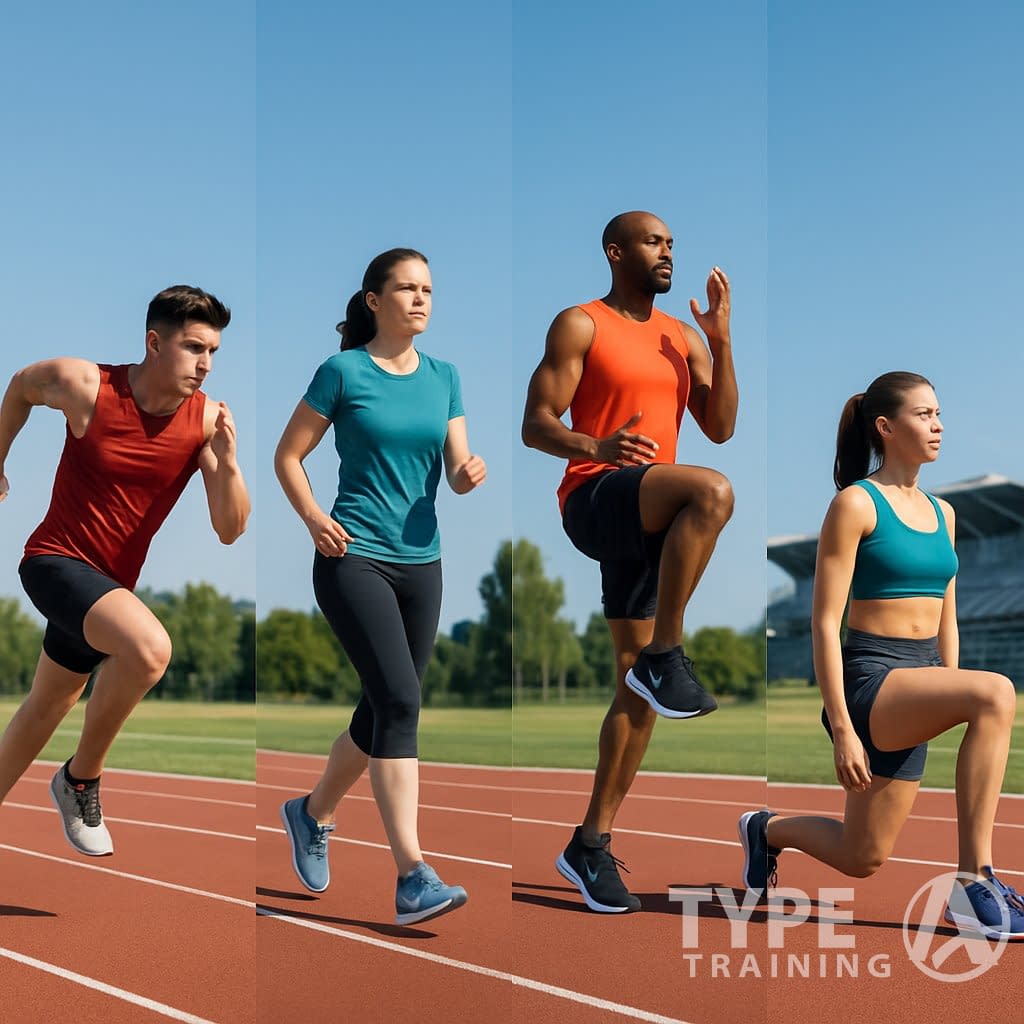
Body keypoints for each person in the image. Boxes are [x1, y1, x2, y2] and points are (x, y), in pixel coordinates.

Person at [740, 371, 1024, 939]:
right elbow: (825, 621)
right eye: (924, 415)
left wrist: (946, 686)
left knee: (862, 856)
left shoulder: (944, 514)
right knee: (996, 691)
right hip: (870, 679)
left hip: (918, 683)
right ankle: (975, 881)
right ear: (886, 427)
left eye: (939, 414)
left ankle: (764, 830)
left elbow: (948, 614)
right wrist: (843, 727)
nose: (938, 425)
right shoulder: (855, 504)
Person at [521, 211, 738, 913]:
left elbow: (721, 426)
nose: (668, 252)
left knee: (633, 693)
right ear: (616, 253)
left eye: (672, 242)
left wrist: (721, 344)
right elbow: (535, 424)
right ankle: (667, 653)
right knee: (712, 491)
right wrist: (597, 449)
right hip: (596, 497)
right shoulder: (580, 323)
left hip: (655, 520)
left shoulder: (680, 336)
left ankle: (589, 842)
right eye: (653, 242)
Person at [275, 247, 486, 926]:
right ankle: (412, 875)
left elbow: (453, 467)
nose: (421, 299)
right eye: (407, 288)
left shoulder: (446, 376)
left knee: (383, 708)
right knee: (400, 700)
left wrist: (466, 474)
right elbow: (288, 455)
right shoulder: (343, 372)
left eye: (428, 289)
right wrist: (313, 518)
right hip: (352, 555)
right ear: (374, 300)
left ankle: (310, 814)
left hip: (423, 562)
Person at [0, 285, 250, 856]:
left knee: (46, 707)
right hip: (54, 560)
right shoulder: (86, 384)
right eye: (193, 348)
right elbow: (19, 385)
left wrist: (230, 466)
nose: (205, 363)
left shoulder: (206, 421)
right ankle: (80, 779)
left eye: (213, 350)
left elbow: (230, 528)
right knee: (149, 649)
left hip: (106, 589)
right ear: (154, 343)